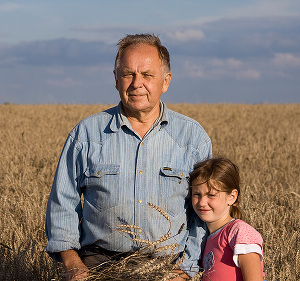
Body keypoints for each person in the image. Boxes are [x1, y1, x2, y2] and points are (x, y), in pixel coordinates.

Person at [45, 33, 212, 280]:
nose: (137, 84)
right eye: (128, 74)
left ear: (165, 81)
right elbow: (63, 202)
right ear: (115, 79)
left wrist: (185, 270)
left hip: (167, 268)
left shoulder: (192, 139)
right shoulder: (86, 135)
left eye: (147, 75)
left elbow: (205, 210)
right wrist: (72, 264)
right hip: (99, 267)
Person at [189, 157, 265, 281]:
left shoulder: (239, 231)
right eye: (197, 194)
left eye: (211, 195)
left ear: (232, 197)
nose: (202, 202)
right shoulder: (207, 237)